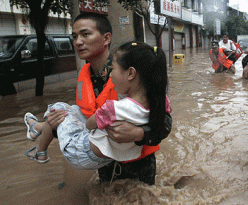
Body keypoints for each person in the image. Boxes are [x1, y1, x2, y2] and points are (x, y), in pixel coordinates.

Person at [25, 13, 172, 185]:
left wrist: (140, 134)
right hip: (103, 161)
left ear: (106, 38)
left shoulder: (128, 72)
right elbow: (86, 122)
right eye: (74, 36)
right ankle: (41, 127)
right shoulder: (85, 75)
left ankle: (37, 128)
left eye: (85, 34)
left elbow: (165, 120)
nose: (78, 42)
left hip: (137, 165)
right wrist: (55, 123)